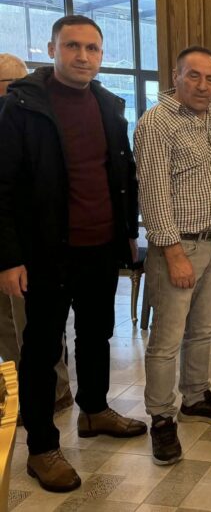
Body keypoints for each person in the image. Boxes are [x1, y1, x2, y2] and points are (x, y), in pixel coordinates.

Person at [0, 16, 147, 492]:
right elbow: (2, 188)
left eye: (92, 48)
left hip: (100, 246)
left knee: (97, 335)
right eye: (72, 46)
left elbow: (121, 173)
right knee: (43, 350)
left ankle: (95, 411)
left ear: (102, 55)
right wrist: (8, 258)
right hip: (45, 252)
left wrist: (128, 232)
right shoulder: (22, 107)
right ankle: (42, 447)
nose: (83, 56)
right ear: (52, 49)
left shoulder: (107, 104)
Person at [135, 46, 211, 466]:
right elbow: (153, 193)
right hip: (179, 246)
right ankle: (162, 417)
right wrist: (173, 252)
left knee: (202, 328)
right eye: (193, 76)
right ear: (175, 76)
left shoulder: (209, 107)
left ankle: (195, 396)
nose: (203, 85)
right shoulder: (156, 123)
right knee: (167, 338)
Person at [0, 52, 73, 412]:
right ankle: (17, 391)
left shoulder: (28, 119)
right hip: (8, 244)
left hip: (26, 247)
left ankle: (52, 393)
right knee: (6, 325)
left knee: (32, 327)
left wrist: (13, 256)